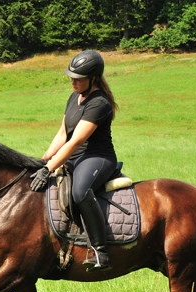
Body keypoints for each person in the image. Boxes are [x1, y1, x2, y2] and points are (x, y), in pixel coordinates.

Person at [30, 50, 119, 272]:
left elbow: (75, 141)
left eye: (78, 78)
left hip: (97, 157)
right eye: (71, 76)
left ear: (94, 78)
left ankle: (101, 252)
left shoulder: (99, 103)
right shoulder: (74, 97)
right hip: (75, 157)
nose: (73, 81)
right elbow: (62, 134)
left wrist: (49, 168)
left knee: (79, 192)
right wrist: (43, 161)